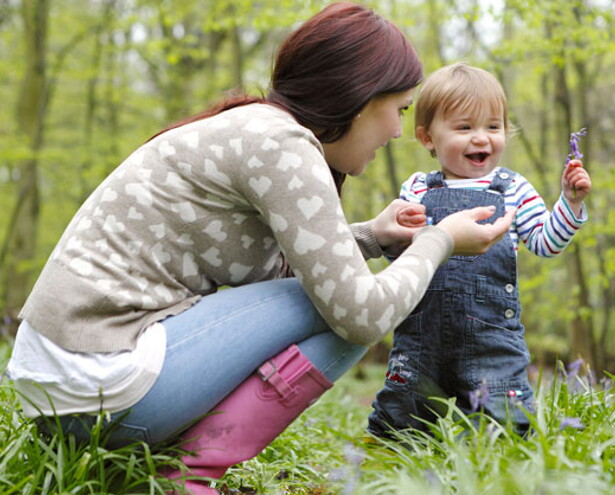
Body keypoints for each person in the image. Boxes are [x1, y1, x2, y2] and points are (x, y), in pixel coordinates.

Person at [6, 5, 512, 494]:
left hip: (63, 388)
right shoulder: (281, 146)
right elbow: (361, 314)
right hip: (101, 382)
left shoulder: (257, 129)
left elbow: (266, 284)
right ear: (359, 96)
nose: (399, 131)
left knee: (348, 295)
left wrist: (372, 238)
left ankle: (154, 470)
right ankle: (189, 476)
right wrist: (439, 239)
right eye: (397, 109)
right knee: (360, 308)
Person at [367, 62, 592, 439]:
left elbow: (546, 242)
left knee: (507, 423)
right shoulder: (417, 189)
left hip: (492, 338)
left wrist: (570, 204)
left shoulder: (514, 188)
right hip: (421, 338)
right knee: (401, 417)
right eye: (464, 127)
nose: (482, 138)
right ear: (427, 138)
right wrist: (399, 231)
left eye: (493, 126)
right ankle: (387, 461)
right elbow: (401, 257)